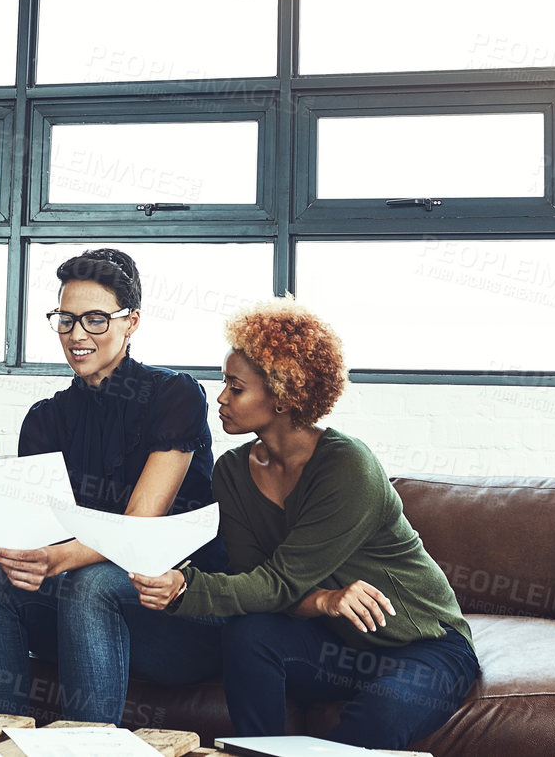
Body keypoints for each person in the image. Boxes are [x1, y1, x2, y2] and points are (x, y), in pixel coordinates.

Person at [131, 298, 480, 750]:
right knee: (249, 631)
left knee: (380, 715)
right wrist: (327, 602)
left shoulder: (347, 466)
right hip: (335, 648)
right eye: (224, 383)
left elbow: (277, 583)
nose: (220, 398)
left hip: (422, 646)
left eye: (235, 388)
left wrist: (184, 588)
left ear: (282, 396)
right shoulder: (233, 472)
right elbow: (251, 583)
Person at [0, 247, 224, 724]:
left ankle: (88, 745)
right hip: (74, 612)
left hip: (176, 611)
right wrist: (6, 548)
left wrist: (57, 559)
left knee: (92, 582)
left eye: (96, 319)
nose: (77, 335)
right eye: (66, 319)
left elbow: (138, 527)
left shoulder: (175, 396)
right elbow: (39, 529)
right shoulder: (45, 419)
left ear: (132, 322)